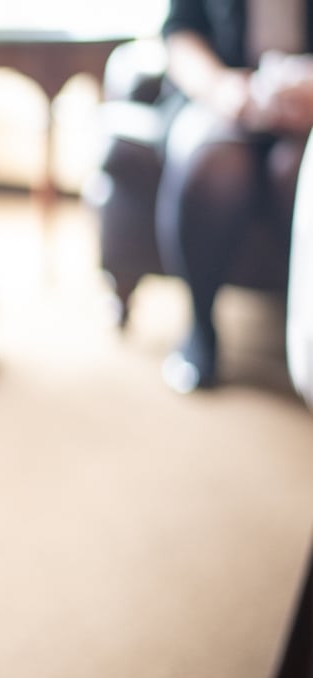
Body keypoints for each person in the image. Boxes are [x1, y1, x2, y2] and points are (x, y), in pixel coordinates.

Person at [156, 0, 313, 392]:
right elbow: (180, 32)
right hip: (222, 96)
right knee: (215, 167)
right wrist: (221, 88)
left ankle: (298, 330)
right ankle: (201, 325)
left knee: (295, 173)